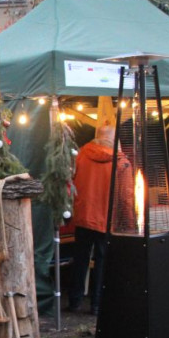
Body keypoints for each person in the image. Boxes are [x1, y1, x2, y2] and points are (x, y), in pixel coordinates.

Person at [67, 125, 117, 315]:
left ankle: (75, 301)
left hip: (84, 216)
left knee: (80, 260)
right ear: (113, 139)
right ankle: (97, 303)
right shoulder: (119, 160)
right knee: (102, 262)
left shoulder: (80, 154)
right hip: (106, 218)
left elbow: (71, 179)